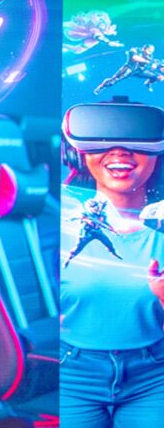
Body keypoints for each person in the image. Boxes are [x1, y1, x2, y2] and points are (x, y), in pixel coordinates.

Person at [60, 101, 164, 427]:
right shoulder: (59, 222)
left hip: (153, 376)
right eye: (104, 141)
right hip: (70, 374)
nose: (119, 151)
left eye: (134, 141)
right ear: (79, 154)